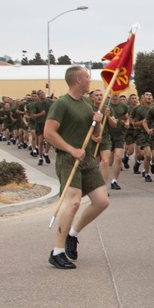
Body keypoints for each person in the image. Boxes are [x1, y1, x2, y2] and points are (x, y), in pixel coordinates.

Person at [43, 66, 110, 270]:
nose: (90, 80)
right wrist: (71, 150)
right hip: (68, 159)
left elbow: (96, 134)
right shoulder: (61, 104)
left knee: (102, 201)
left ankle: (73, 234)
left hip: (87, 158)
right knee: (73, 203)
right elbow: (49, 133)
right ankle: (57, 251)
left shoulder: (87, 102)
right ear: (79, 80)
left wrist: (97, 121)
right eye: (87, 77)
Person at [105, 92, 129, 190]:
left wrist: (127, 123)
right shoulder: (106, 105)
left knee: (118, 158)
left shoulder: (123, 106)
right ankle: (102, 183)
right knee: (107, 161)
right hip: (107, 134)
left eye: (117, 92)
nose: (115, 94)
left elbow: (127, 118)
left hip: (119, 134)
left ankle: (114, 181)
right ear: (110, 93)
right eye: (113, 92)